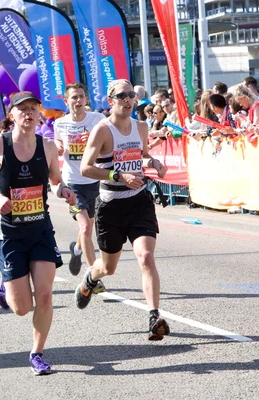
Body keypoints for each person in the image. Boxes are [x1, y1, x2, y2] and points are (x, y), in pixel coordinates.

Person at [0, 91, 76, 375]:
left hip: (40, 229)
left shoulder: (48, 147)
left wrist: (63, 191)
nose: (28, 114)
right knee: (21, 307)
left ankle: (37, 353)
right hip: (9, 233)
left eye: (33, 108)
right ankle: (6, 287)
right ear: (12, 115)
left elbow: (55, 180)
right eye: (23, 109)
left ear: (39, 113)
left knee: (44, 296)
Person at [74, 79, 170, 341]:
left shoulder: (140, 126)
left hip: (138, 201)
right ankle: (91, 278)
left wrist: (154, 162)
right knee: (108, 267)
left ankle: (154, 316)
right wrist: (118, 175)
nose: (128, 100)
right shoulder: (102, 130)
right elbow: (85, 168)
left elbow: (143, 155)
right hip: (110, 206)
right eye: (122, 96)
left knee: (146, 256)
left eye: (131, 95)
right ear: (111, 101)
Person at [54, 82, 105, 276]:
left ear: (86, 99)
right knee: (85, 226)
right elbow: (58, 141)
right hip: (73, 182)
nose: (78, 101)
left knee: (88, 227)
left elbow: (109, 143)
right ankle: (92, 276)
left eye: (81, 96)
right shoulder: (60, 123)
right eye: (74, 97)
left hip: (95, 180)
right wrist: (58, 146)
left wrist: (93, 139)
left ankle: (76, 250)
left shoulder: (98, 119)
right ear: (67, 101)